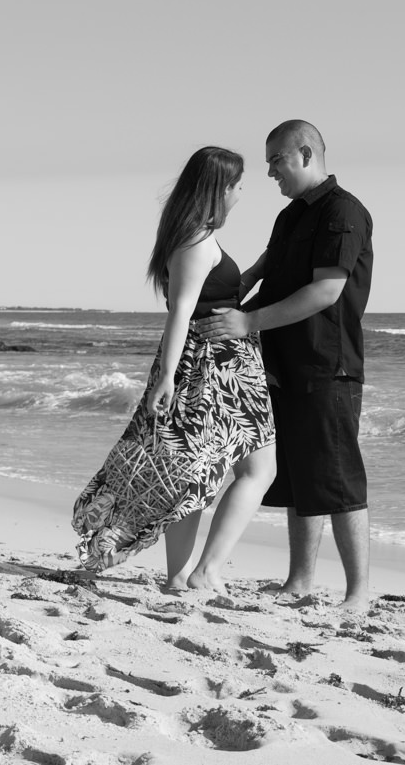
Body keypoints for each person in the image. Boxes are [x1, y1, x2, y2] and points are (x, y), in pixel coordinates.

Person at [72, 146, 277, 592]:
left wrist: (259, 269)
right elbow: (180, 312)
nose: (242, 194)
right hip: (211, 370)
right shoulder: (195, 243)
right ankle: (201, 572)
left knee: (197, 475)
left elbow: (210, 297)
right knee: (254, 472)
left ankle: (181, 577)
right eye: (238, 186)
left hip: (224, 368)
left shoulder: (196, 237)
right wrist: (166, 378)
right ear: (219, 189)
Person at [195, 120, 373, 611]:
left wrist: (246, 321)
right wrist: (230, 288)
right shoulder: (291, 215)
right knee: (296, 476)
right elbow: (270, 265)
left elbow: (326, 291)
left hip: (326, 365)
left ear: (306, 153)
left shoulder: (344, 212)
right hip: (280, 363)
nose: (270, 170)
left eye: (277, 159)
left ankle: (357, 593)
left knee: (337, 480)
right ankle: (299, 581)